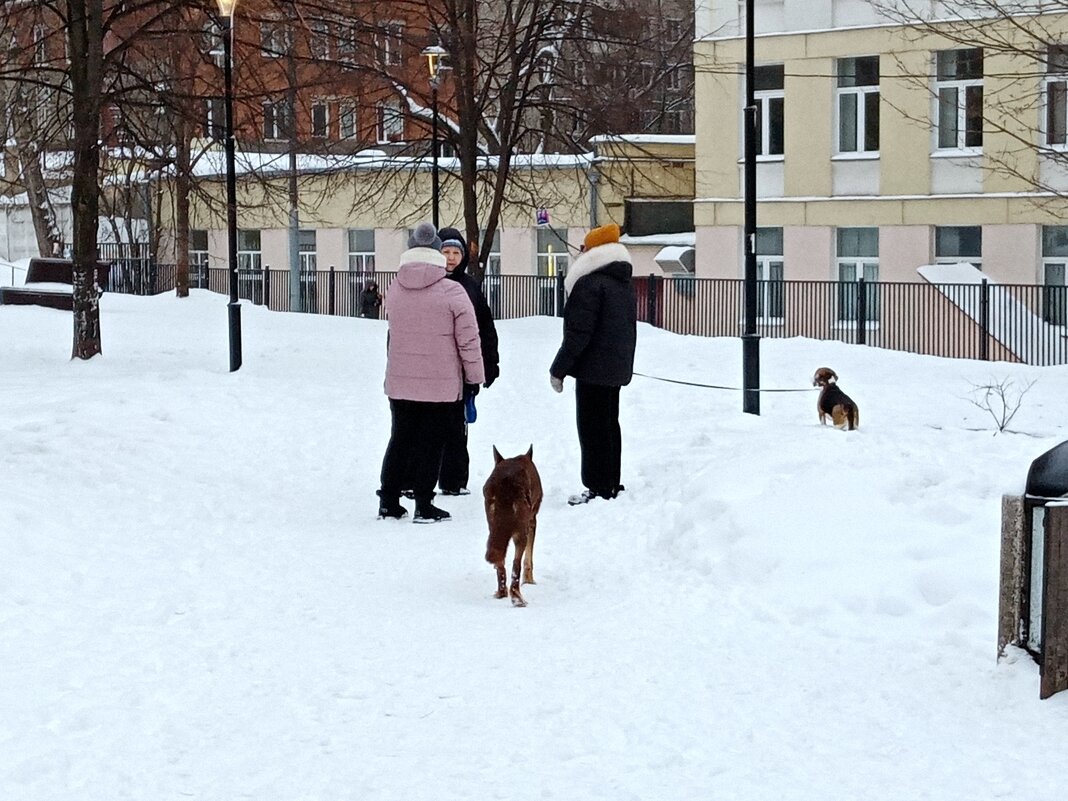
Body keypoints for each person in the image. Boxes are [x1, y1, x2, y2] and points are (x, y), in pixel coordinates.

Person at [377, 222, 485, 523]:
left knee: (400, 439)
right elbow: (468, 340)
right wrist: (475, 377)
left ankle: (388, 501)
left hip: (400, 382)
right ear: (438, 253)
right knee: (431, 444)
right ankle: (424, 504)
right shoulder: (453, 291)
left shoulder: (395, 288)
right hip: (441, 385)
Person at [548, 223, 636, 505]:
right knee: (610, 424)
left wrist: (559, 369)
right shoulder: (621, 283)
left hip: (593, 369)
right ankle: (610, 480)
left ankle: (597, 486)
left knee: (591, 427)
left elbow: (578, 333)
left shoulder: (589, 284)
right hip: (615, 367)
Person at [435, 226, 500, 495]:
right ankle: (419, 477)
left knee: (457, 426)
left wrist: (490, 363)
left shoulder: (470, 287)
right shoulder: (429, 283)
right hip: (434, 365)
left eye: (455, 252)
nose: (450, 258)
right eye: (445, 252)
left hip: (462, 368)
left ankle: (454, 480)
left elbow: (485, 328)